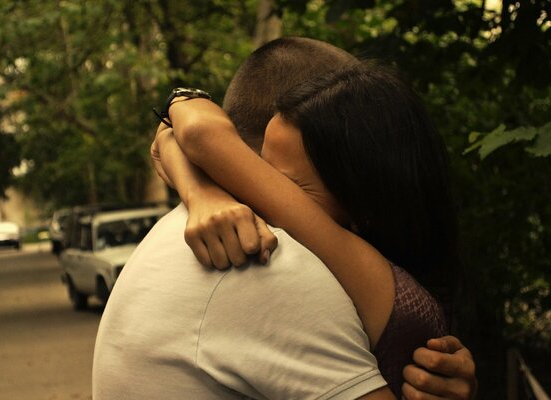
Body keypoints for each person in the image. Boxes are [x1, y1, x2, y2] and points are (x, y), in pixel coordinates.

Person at [93, 37, 476, 399]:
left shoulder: (286, 260)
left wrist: (195, 179)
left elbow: (194, 135)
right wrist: (200, 189)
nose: (261, 192)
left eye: (282, 183)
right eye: (260, 171)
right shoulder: (270, 259)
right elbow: (187, 138)